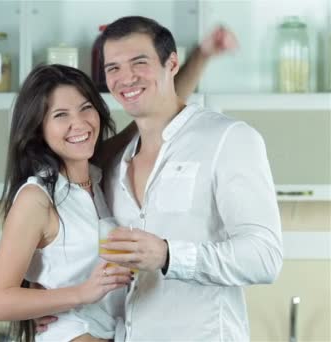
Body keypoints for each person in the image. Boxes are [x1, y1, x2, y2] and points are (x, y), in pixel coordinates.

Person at [95, 16, 282, 341]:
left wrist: (169, 255)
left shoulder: (228, 138)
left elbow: (264, 257)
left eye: (139, 62)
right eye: (113, 68)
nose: (126, 78)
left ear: (172, 63)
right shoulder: (113, 165)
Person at [0, 64, 134, 342]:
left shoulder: (100, 175)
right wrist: (80, 293)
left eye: (86, 107)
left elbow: (150, 116)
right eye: (60, 115)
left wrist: (204, 54)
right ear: (39, 129)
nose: (79, 123)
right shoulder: (37, 199)